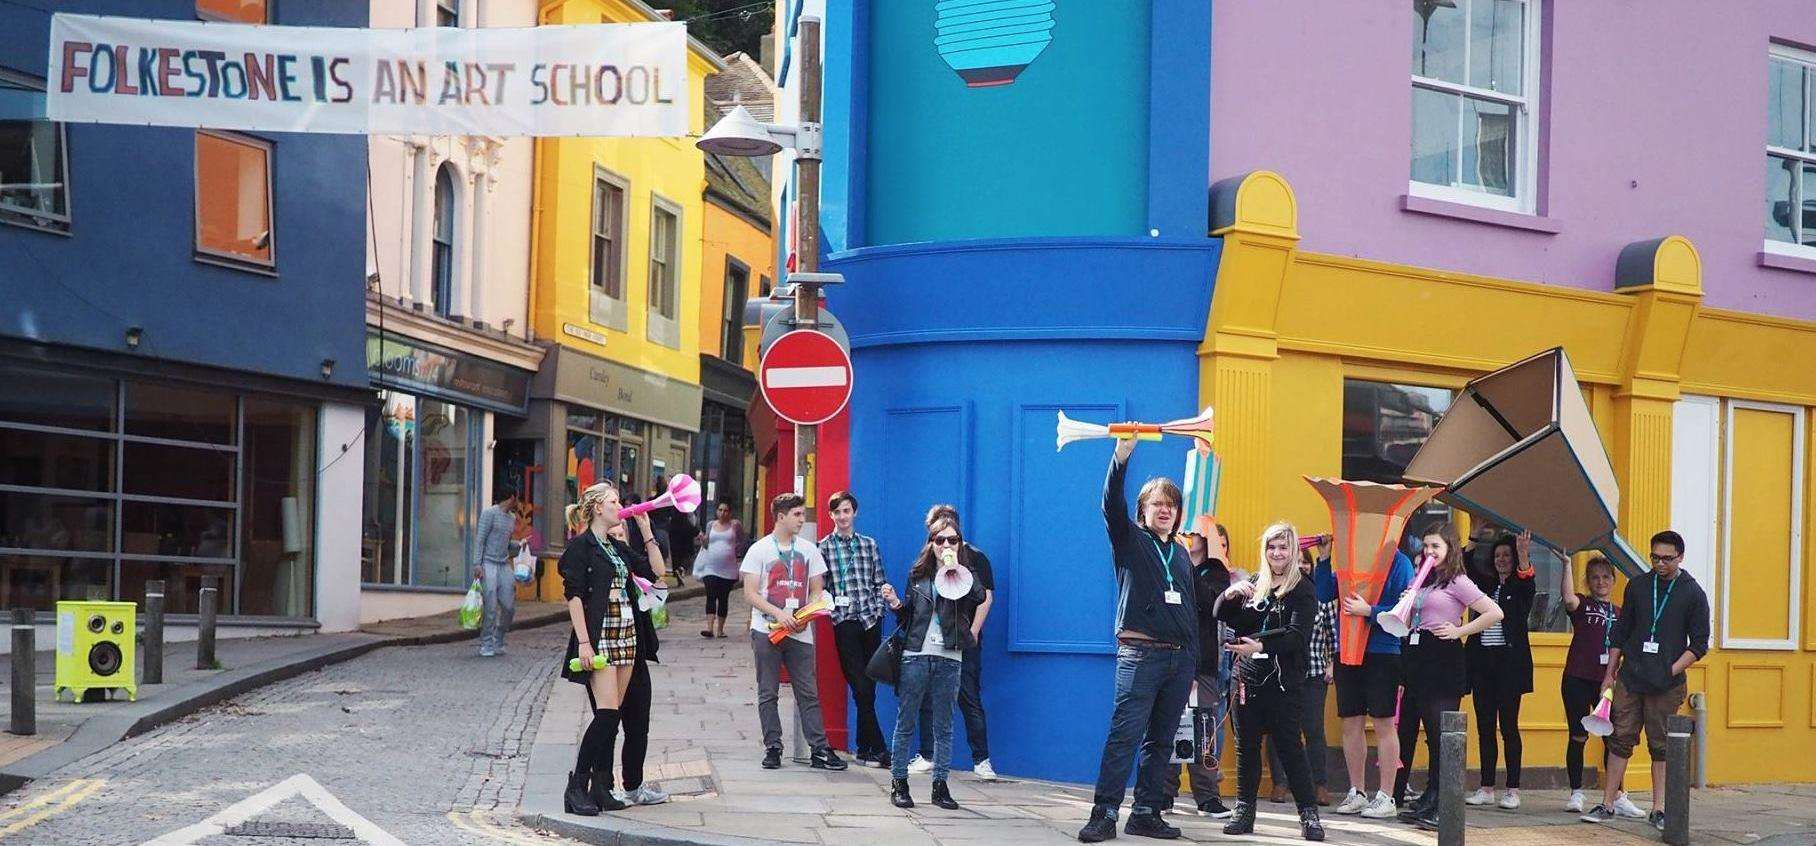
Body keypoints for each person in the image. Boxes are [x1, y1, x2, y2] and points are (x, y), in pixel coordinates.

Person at [1077, 436, 1198, 843]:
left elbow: (1191, 613)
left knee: (1160, 742)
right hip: (1140, 654)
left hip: (1179, 660)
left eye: (1171, 505)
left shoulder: (1180, 554)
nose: (1165, 510)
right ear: (1143, 512)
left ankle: (1146, 812)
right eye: (1157, 504)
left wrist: (1193, 664)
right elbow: (1111, 503)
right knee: (1124, 735)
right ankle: (1104, 813)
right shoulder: (1130, 540)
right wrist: (1122, 457)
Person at [1581, 530, 1709, 832]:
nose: (1660, 563)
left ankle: (1660, 808)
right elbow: (1620, 633)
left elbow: (1700, 643)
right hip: (1631, 676)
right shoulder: (1638, 585)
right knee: (1620, 737)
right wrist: (1609, 674)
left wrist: (1672, 669)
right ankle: (1608, 803)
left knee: (1661, 744)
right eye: (1655, 557)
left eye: (1666, 558)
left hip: (1666, 683)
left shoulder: (1692, 592)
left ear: (1680, 557)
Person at [557, 483, 669, 815]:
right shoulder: (581, 547)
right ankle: (576, 787)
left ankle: (602, 788)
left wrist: (647, 530)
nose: (619, 506)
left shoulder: (615, 548)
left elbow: (657, 572)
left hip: (627, 636)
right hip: (600, 637)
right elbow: (574, 597)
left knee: (614, 714)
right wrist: (585, 645)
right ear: (596, 508)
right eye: (613, 501)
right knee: (606, 713)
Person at [1215, 522, 1327, 841]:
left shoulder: (1303, 588)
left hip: (1284, 683)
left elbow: (1297, 637)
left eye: (1283, 547)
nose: (1277, 553)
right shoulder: (1254, 583)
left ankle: (1309, 816)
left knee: (1291, 748)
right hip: (1248, 681)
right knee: (1246, 748)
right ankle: (1244, 812)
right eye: (1271, 547)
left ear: (1292, 551)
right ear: (1264, 550)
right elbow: (1224, 616)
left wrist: (1260, 645)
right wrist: (1229, 594)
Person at [1392, 521, 1504, 831]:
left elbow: (1494, 612)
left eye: (1435, 546)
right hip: (1417, 655)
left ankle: (1444, 804)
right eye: (1426, 546)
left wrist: (1460, 631)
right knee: (1427, 730)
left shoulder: (1458, 580)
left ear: (1449, 549)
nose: (1429, 551)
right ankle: (1430, 797)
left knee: (1442, 734)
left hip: (1443, 655)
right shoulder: (1423, 579)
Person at [883, 516, 986, 810]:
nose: (945, 545)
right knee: (906, 722)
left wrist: (959, 566)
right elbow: (908, 618)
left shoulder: (965, 574)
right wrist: (894, 604)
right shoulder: (918, 575)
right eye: (939, 540)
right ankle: (899, 783)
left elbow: (980, 596)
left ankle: (940, 786)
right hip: (916, 655)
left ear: (959, 543)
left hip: (950, 657)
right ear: (931, 544)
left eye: (952, 540)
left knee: (944, 726)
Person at [741, 493, 847, 771]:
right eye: (797, 514)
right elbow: (750, 593)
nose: (803, 520)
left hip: (800, 631)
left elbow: (817, 590)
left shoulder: (809, 550)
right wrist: (778, 614)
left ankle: (820, 749)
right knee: (768, 691)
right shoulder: (759, 550)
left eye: (802, 514)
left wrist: (805, 615)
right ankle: (773, 747)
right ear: (780, 517)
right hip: (766, 630)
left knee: (808, 691)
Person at [1315, 536, 1416, 819]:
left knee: (1384, 722)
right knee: (1351, 721)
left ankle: (1387, 796)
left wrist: (1369, 611)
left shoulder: (1399, 561)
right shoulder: (1352, 557)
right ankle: (1357, 791)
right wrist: (1324, 559)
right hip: (1347, 647)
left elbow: (1404, 611)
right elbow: (1324, 593)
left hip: (1383, 650)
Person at [907, 504, 998, 781]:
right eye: (936, 533)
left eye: (949, 534)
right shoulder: (926, 560)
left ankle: (981, 760)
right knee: (926, 698)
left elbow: (986, 598)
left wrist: (971, 633)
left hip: (963, 639)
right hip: (931, 640)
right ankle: (927, 755)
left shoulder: (976, 557)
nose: (943, 541)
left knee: (969, 697)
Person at [1558, 554, 1643, 818]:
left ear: (1614, 580)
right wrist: (1567, 564)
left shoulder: (1621, 613)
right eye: (1595, 577)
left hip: (1608, 681)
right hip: (1577, 678)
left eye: (1606, 577)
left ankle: (1618, 795)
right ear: (1589, 581)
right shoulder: (1583, 604)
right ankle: (1576, 792)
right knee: (1578, 735)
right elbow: (1568, 598)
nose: (1601, 582)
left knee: (1613, 738)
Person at [1162, 522, 1237, 818]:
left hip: (1202, 663)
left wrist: (1187, 566)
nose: (1187, 537)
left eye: (1194, 534)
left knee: (1203, 728)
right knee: (1168, 725)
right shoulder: (1169, 563)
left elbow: (1210, 604)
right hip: (1171, 659)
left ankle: (1207, 797)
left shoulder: (1215, 573)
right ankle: (1163, 794)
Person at [819, 490, 892, 769]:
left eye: (846, 511)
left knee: (869, 686)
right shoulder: (823, 547)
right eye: (837, 512)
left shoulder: (869, 545)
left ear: (854, 512)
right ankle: (881, 749)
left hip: (870, 620)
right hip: (844, 622)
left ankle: (864, 749)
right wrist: (834, 612)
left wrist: (878, 609)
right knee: (859, 684)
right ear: (831, 516)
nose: (842, 516)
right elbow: (821, 588)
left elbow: (879, 580)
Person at [1465, 532, 1536, 810]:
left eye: (1507, 555)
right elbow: (1467, 568)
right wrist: (1472, 536)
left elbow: (1527, 583)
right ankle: (1486, 787)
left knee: (1508, 727)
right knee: (1484, 727)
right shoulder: (1486, 585)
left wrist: (1523, 553)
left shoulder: (1520, 587)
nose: (1502, 560)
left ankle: (1513, 789)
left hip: (1509, 666)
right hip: (1483, 664)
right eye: (1498, 556)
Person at [1266, 546, 1338, 808]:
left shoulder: (1322, 597)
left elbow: (1333, 635)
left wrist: (1332, 664)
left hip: (1315, 672)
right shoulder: (1279, 595)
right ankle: (1280, 783)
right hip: (1281, 671)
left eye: (1305, 562)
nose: (1302, 566)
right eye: (1297, 562)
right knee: (1279, 729)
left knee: (1314, 729)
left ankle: (1320, 785)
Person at [473, 485, 522, 658]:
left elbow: (507, 544)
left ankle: (499, 636)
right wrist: (477, 564)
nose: (518, 502)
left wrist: (518, 545)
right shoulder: (489, 514)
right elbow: (480, 540)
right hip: (488, 563)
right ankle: (486, 643)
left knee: (509, 607)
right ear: (511, 498)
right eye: (517, 498)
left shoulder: (511, 518)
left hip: (503, 564)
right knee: (491, 606)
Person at [692, 502, 745, 639]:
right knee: (710, 595)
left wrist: (736, 555)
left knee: (723, 598)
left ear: (730, 512)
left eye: (726, 510)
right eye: (720, 510)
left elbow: (741, 542)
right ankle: (709, 628)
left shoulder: (735, 525)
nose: (723, 513)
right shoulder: (711, 525)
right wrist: (702, 540)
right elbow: (707, 544)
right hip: (710, 567)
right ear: (716, 511)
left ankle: (720, 630)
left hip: (728, 569)